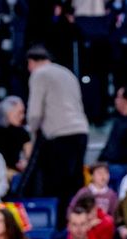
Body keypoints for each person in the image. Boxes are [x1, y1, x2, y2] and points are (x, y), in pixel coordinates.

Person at [24, 47, 88, 203]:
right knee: (75, 181)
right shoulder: (67, 73)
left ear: (32, 62)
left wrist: (32, 132)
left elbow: (35, 112)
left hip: (60, 134)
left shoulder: (39, 74)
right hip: (81, 131)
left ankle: (59, 223)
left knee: (57, 184)